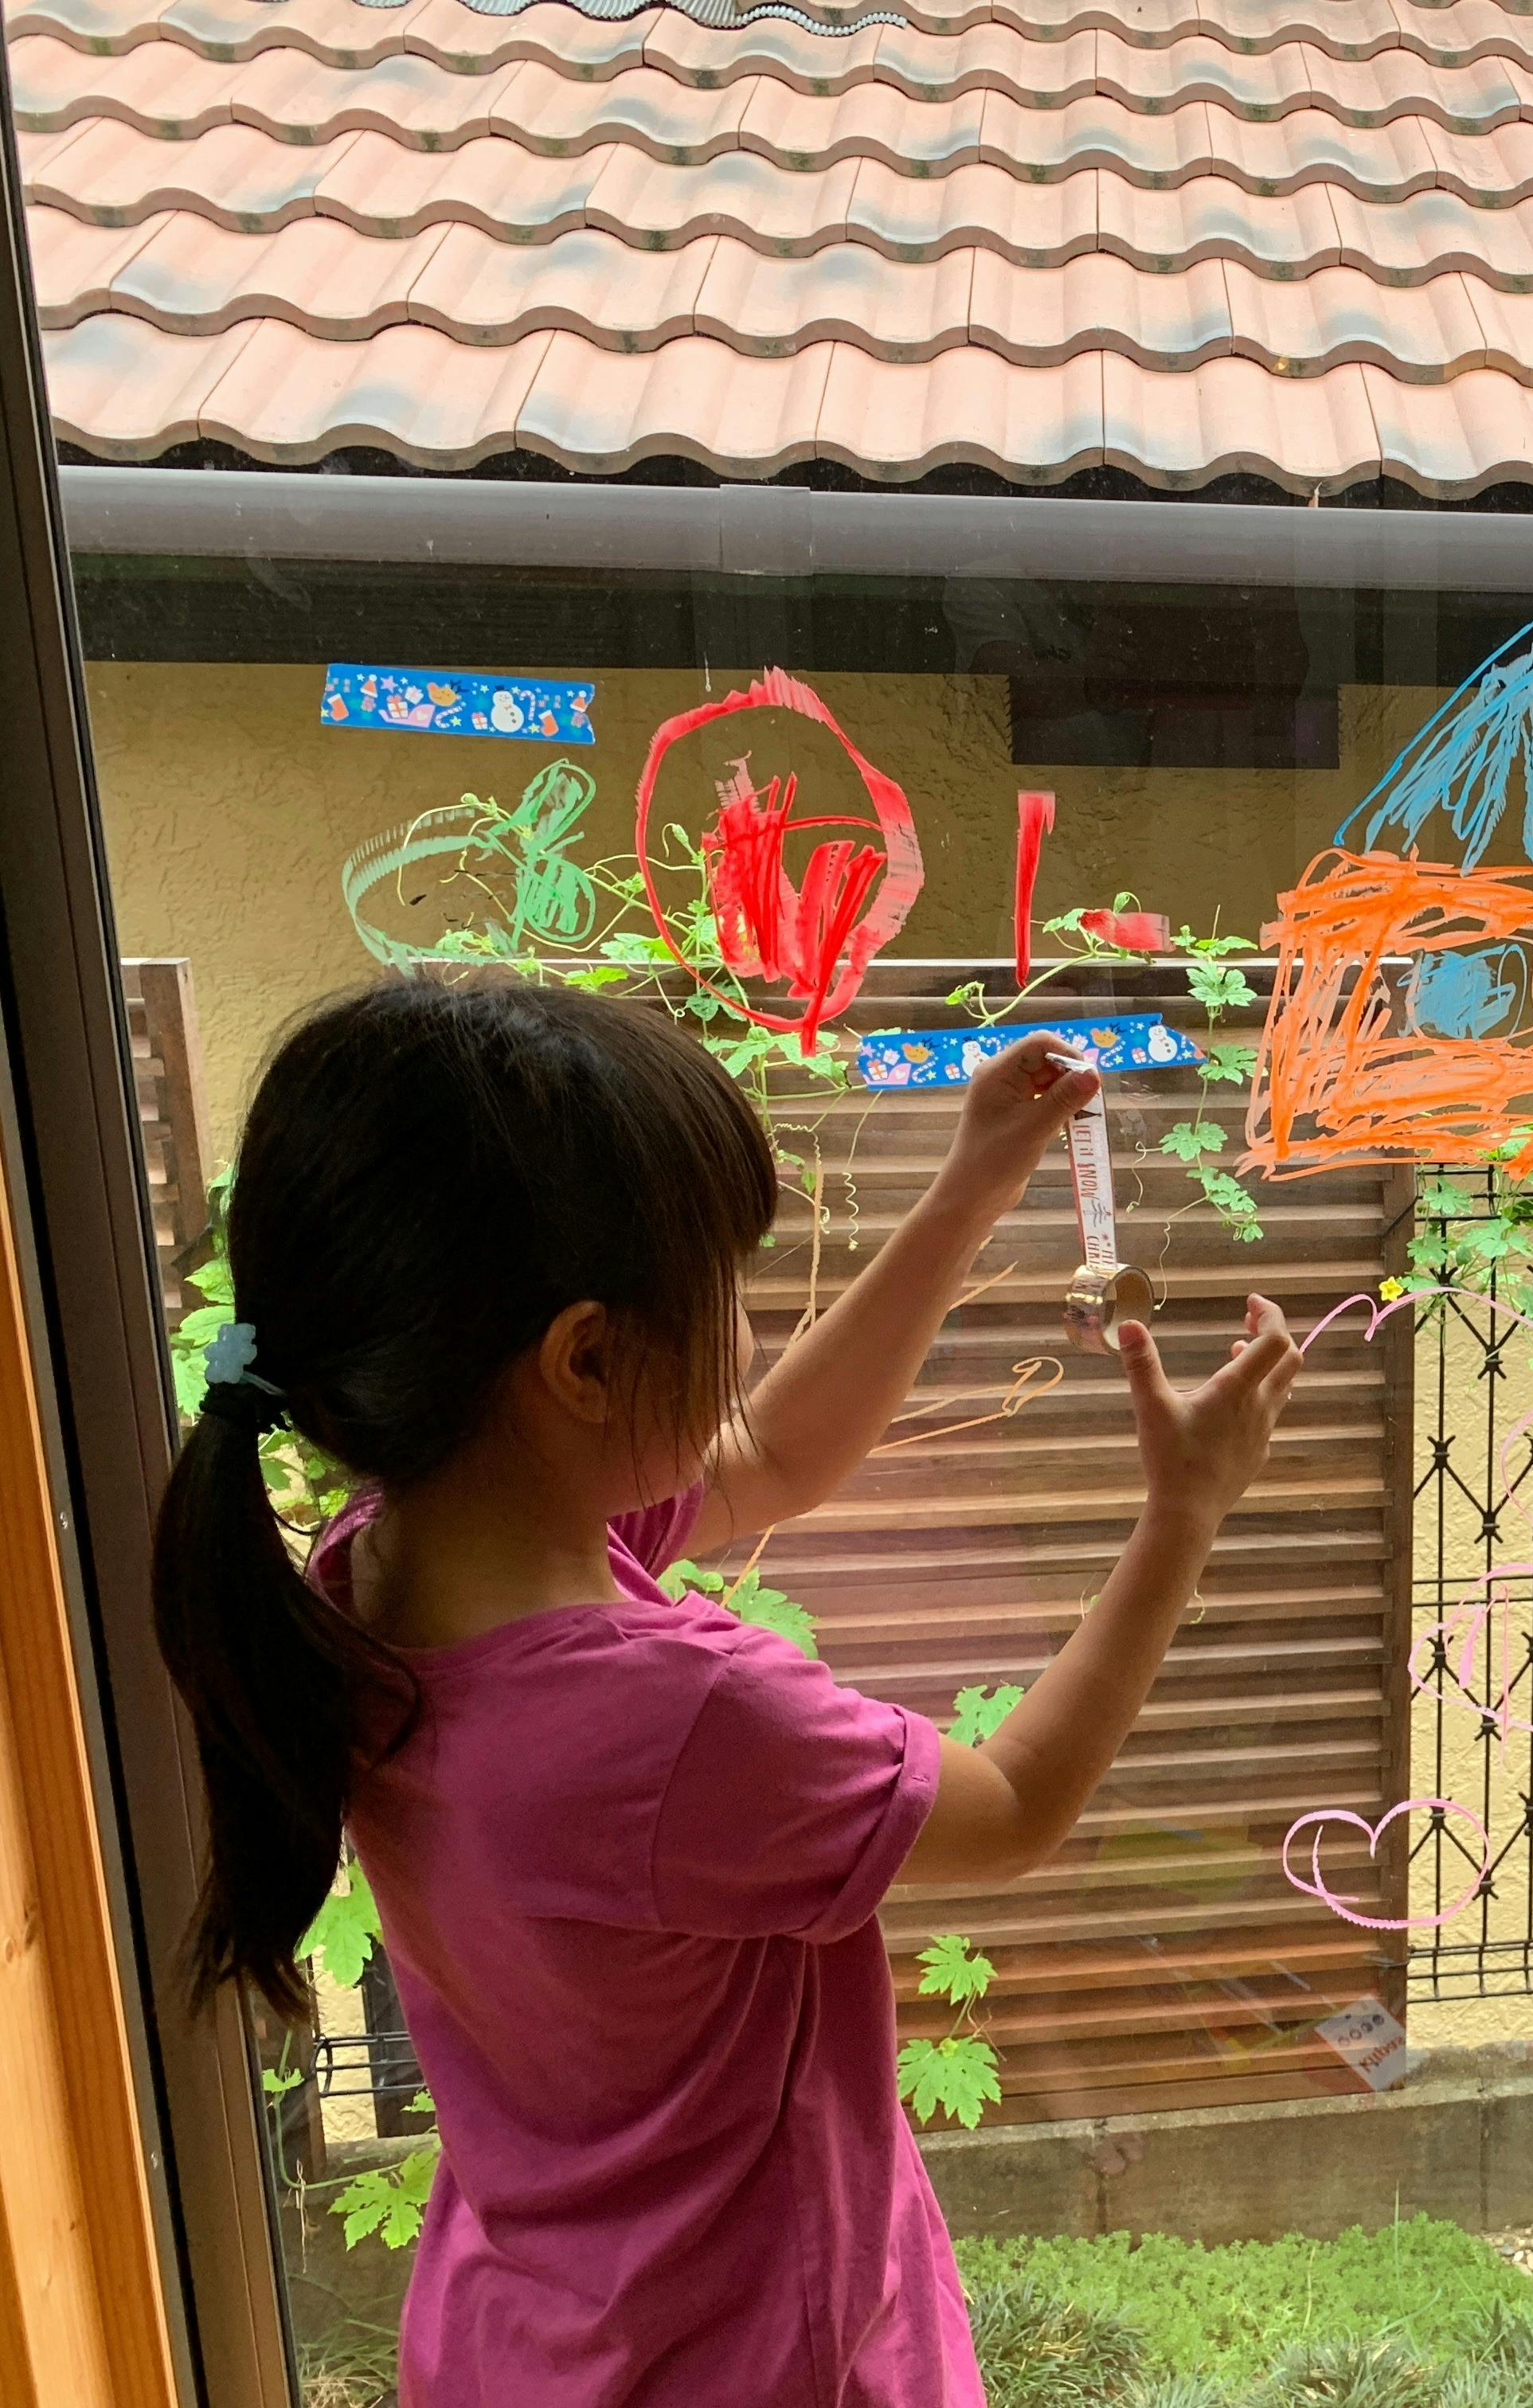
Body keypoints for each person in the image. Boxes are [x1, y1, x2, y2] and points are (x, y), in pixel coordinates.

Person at [151, 978, 1300, 2407]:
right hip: (756, 2357)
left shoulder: (382, 1571)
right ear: (585, 1359)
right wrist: (1186, 1510)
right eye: (727, 1293)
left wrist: (970, 1188)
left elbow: (768, 1457)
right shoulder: (678, 1723)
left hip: (539, 2334)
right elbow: (1010, 1808)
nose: (746, 1335)